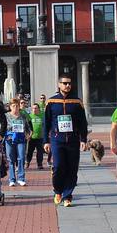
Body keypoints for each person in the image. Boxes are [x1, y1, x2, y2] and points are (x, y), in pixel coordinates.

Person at [43, 75, 89, 207]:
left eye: (69, 83)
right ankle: (58, 190)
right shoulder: (51, 102)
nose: (67, 85)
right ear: (59, 85)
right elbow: (46, 123)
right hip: (57, 140)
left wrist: (83, 139)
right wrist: (46, 141)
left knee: (72, 169)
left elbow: (83, 123)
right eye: (64, 83)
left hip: (73, 140)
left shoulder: (77, 102)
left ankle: (67, 196)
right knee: (58, 167)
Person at [4, 98, 30, 187]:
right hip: (9, 139)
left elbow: (27, 126)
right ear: (10, 107)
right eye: (13, 106)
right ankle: (12, 179)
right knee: (11, 159)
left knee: (21, 158)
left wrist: (28, 133)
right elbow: (3, 126)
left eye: (17, 106)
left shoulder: (23, 116)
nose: (15, 107)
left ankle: (21, 178)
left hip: (21, 139)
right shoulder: (6, 116)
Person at [26, 97, 46, 170]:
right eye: (33, 108)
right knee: (30, 152)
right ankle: (27, 162)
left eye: (36, 108)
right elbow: (26, 126)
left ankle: (39, 164)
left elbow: (45, 125)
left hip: (40, 137)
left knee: (40, 152)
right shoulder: (29, 116)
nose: (34, 109)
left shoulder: (42, 116)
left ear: (38, 109)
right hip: (31, 137)